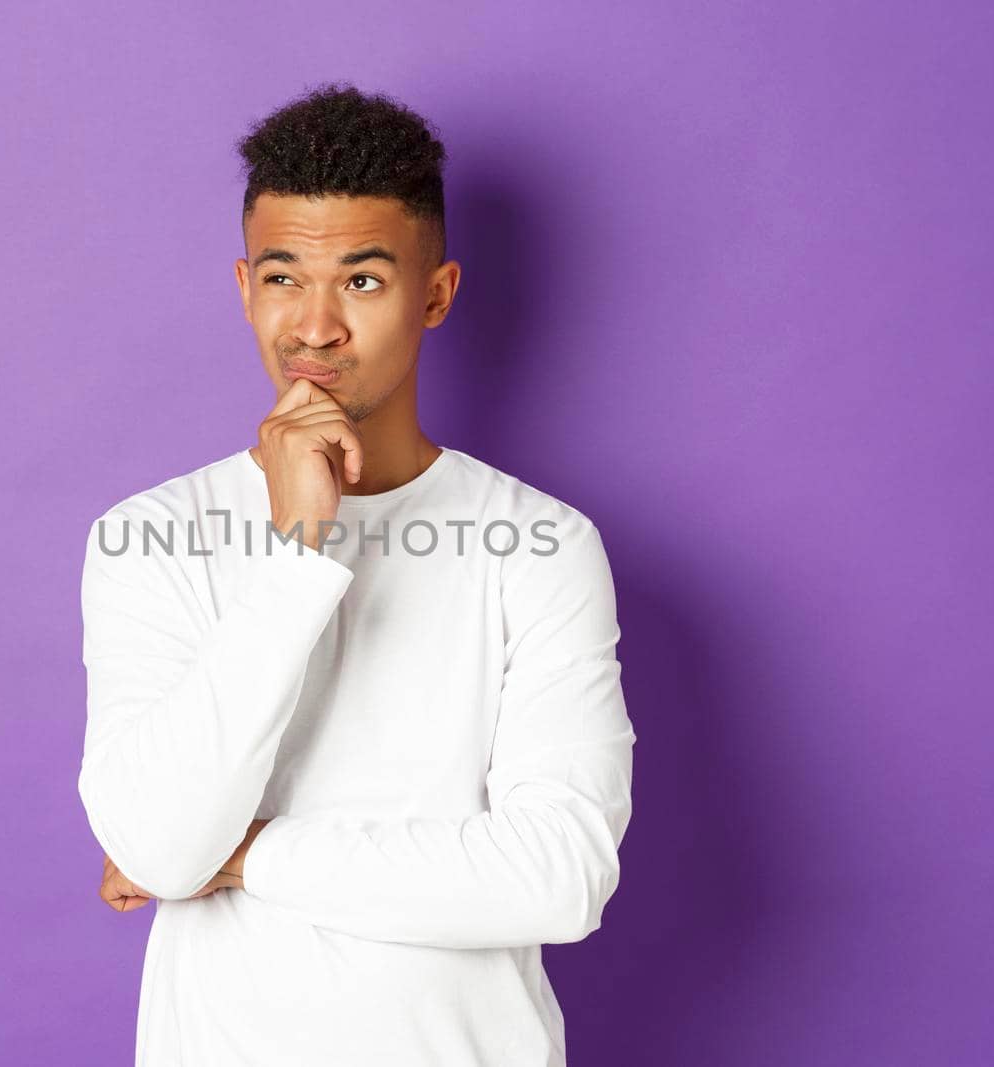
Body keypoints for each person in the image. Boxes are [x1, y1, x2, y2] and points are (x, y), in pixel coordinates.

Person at [77, 81, 637, 1067]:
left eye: (364, 281)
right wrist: (298, 554)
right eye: (285, 277)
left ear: (435, 293)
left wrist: (245, 853)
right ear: (245, 285)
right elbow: (162, 849)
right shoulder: (148, 535)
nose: (317, 325)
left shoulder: (540, 543)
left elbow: (559, 876)